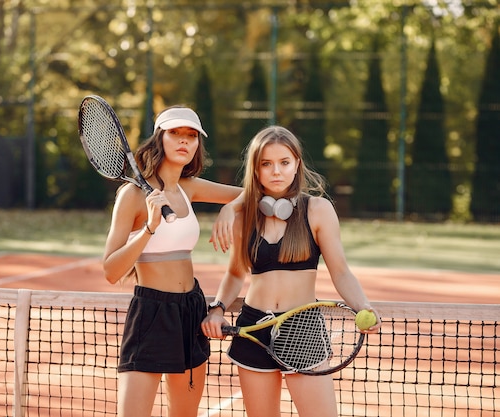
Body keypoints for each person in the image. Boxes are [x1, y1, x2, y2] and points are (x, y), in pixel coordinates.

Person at [201, 125, 381, 417]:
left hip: (302, 328)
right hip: (254, 329)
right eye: (266, 164)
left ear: (297, 163)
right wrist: (217, 308)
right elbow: (235, 273)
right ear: (256, 170)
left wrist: (362, 305)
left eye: (284, 162)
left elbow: (341, 272)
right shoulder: (244, 216)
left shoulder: (318, 210)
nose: (276, 171)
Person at [103, 105, 242, 417]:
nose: (184, 141)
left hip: (191, 310)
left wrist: (230, 208)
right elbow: (111, 271)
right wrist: (150, 227)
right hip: (151, 311)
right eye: (175, 133)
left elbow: (252, 195)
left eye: (191, 135)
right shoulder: (132, 195)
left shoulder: (189, 188)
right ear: (159, 140)